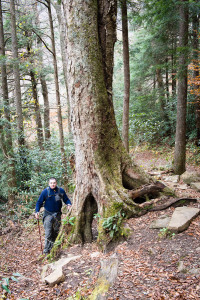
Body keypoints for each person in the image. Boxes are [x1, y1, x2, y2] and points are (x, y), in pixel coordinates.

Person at [35, 177, 72, 254]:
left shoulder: (60, 190)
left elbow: (66, 199)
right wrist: (37, 211)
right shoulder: (45, 192)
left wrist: (69, 204)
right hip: (48, 214)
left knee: (56, 232)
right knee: (48, 232)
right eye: (51, 183)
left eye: (54, 183)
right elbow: (39, 202)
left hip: (57, 214)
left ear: (56, 183)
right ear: (49, 184)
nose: (53, 184)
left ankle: (54, 248)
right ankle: (46, 251)